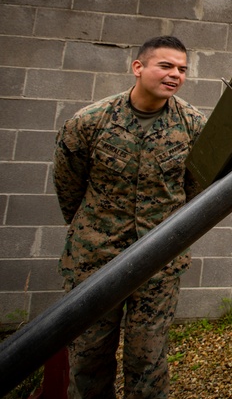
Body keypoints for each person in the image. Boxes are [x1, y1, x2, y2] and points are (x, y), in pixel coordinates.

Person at [54, 36, 206, 399]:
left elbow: (196, 189)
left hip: (157, 265)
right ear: (138, 67)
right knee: (89, 358)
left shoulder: (193, 126)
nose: (175, 75)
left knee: (148, 363)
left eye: (182, 69)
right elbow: (68, 185)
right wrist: (95, 232)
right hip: (94, 262)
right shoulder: (90, 122)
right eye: (165, 66)